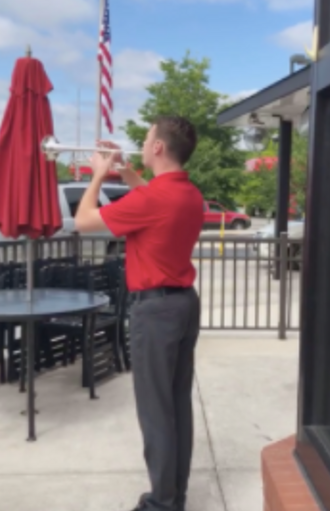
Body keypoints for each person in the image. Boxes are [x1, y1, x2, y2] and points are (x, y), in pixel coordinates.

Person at [74, 116, 205, 511]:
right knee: (176, 404)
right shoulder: (188, 194)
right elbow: (152, 194)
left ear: (159, 148)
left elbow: (83, 222)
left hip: (156, 309)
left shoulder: (152, 199)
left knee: (155, 411)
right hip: (183, 303)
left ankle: (162, 503)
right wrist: (125, 169)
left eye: (146, 140)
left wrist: (97, 176)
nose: (142, 145)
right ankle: (174, 495)